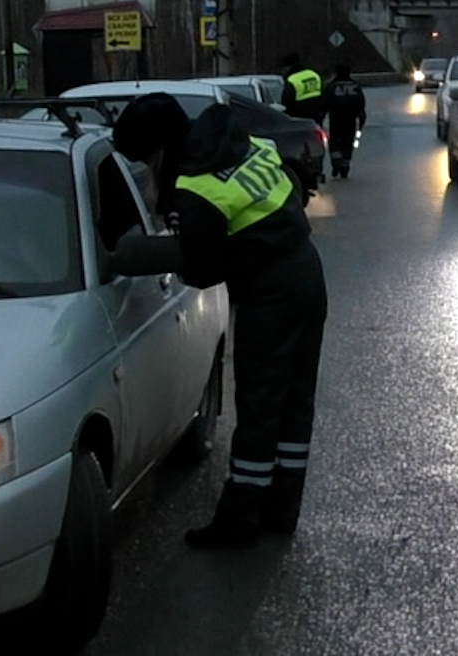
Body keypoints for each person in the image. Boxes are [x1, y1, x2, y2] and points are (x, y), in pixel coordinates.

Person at [112, 93, 328, 549]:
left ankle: (239, 521)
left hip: (272, 294)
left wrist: (139, 254)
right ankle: (281, 510)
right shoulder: (241, 144)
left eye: (142, 161)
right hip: (306, 272)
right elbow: (290, 183)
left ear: (158, 150)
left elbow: (204, 269)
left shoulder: (194, 189)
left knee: (259, 406)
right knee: (292, 403)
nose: (145, 173)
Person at [324, 64, 366, 178]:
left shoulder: (331, 87)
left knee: (334, 142)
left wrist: (320, 119)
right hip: (350, 120)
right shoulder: (355, 86)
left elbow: (324, 104)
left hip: (335, 119)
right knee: (348, 142)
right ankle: (345, 164)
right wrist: (361, 120)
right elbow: (361, 105)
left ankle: (336, 160)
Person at [279, 53, 326, 125]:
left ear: (287, 68)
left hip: (299, 120)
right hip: (316, 118)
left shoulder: (292, 80)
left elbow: (286, 102)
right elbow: (324, 95)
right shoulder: (314, 75)